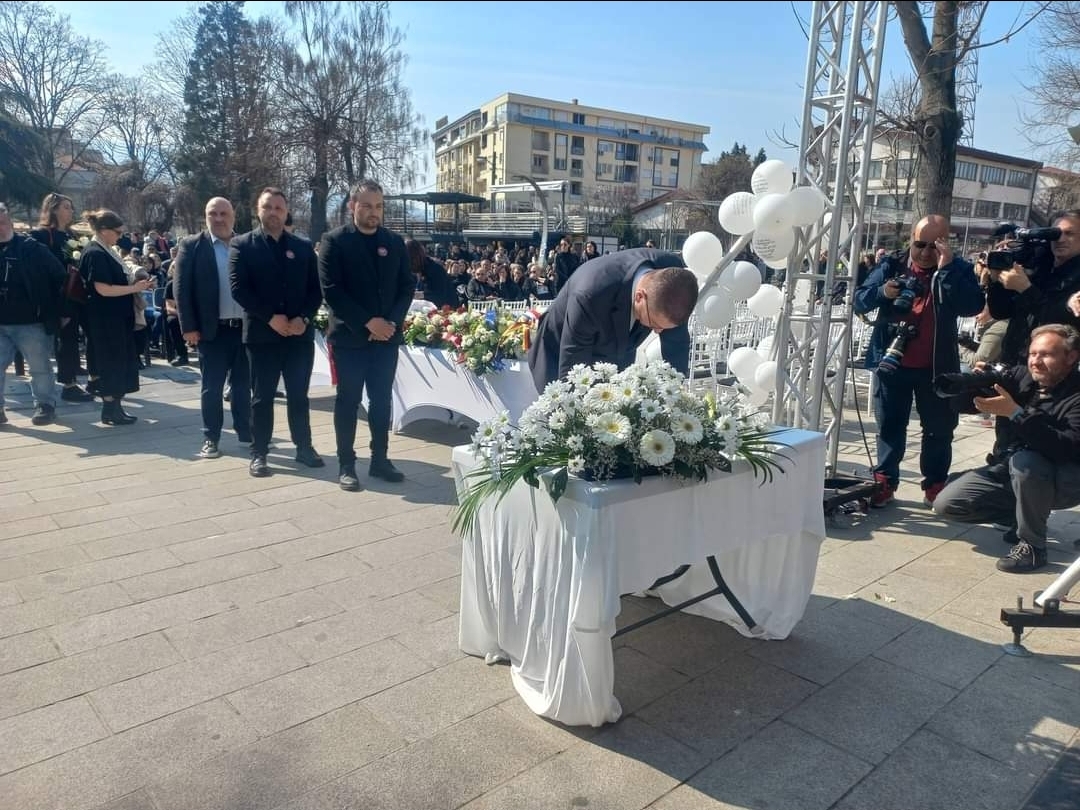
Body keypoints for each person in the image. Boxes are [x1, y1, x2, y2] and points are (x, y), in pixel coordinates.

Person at [853, 214, 984, 508]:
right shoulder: (892, 265)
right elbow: (859, 300)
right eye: (920, 245)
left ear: (945, 243)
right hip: (892, 362)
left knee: (939, 429)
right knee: (890, 426)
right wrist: (882, 292)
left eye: (933, 246)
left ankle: (935, 485)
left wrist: (946, 270)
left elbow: (973, 306)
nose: (925, 253)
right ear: (910, 240)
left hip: (937, 366)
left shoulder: (958, 268)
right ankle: (885, 481)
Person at [933, 324, 1080, 573]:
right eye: (1033, 353)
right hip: (1012, 469)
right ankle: (1020, 516)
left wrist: (1015, 413)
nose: (1036, 361)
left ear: (1071, 357)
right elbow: (962, 406)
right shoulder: (1021, 376)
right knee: (948, 502)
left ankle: (1032, 547)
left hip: (1065, 478)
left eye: (1046, 354)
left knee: (1026, 462)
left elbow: (1067, 447)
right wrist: (973, 384)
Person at [318, 179, 414, 491]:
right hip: (350, 339)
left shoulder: (394, 242)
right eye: (367, 206)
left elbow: (406, 286)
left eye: (379, 206)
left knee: (382, 401)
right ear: (352, 206)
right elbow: (332, 291)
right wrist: (368, 323)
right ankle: (346, 463)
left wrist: (390, 323)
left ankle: (380, 459)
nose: (374, 212)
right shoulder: (335, 241)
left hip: (386, 339)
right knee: (348, 401)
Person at [229, 187, 323, 478]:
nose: (273, 213)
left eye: (279, 208)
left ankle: (304, 447)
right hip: (262, 336)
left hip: (298, 336)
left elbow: (315, 290)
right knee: (262, 397)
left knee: (299, 395)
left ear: (286, 212)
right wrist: (270, 318)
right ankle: (259, 452)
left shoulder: (303, 247)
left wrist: (304, 318)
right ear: (257, 210)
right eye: (267, 207)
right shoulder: (242, 245)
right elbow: (239, 289)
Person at [527, 247, 698, 391]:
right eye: (654, 323)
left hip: (618, 346)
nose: (658, 331)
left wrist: (674, 393)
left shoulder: (674, 280)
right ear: (640, 297)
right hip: (560, 349)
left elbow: (677, 344)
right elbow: (574, 372)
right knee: (563, 411)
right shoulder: (590, 295)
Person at [174, 196, 251, 459]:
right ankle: (211, 437)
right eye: (212, 214)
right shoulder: (192, 246)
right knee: (212, 388)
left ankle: (246, 433)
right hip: (211, 331)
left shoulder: (246, 244)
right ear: (205, 217)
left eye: (223, 214)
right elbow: (181, 289)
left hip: (245, 329)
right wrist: (188, 327)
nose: (218, 219)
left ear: (233, 216)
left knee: (242, 387)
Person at [80, 209, 155, 425]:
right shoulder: (95, 253)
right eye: (117, 232)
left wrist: (138, 283)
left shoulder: (107, 250)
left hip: (117, 318)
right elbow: (103, 289)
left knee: (119, 361)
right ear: (104, 230)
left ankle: (115, 408)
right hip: (105, 320)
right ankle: (110, 409)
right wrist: (134, 289)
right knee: (110, 362)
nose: (120, 236)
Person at [0, 201, 66, 426]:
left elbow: (59, 276)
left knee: (39, 367)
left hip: (31, 321)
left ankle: (45, 406)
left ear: (9, 222)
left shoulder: (32, 248)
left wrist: (56, 309)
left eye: (2, 222)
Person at [987, 210, 1080, 367]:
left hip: (1054, 370)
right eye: (1055, 234)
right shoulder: (1038, 266)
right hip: (1014, 363)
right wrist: (997, 281)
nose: (1060, 239)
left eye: (1069, 233)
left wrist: (1026, 289)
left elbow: (1063, 324)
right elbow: (1000, 312)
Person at [29, 192, 93, 402]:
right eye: (66, 207)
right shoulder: (41, 235)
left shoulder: (73, 235)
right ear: (53, 209)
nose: (70, 211)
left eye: (71, 207)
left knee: (86, 333)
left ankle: (92, 375)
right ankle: (69, 384)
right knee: (66, 338)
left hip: (78, 292)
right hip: (59, 295)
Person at [405, 238, 456, 309]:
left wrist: (418, 295)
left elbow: (439, 294)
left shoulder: (434, 268)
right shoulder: (415, 270)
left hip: (446, 308)